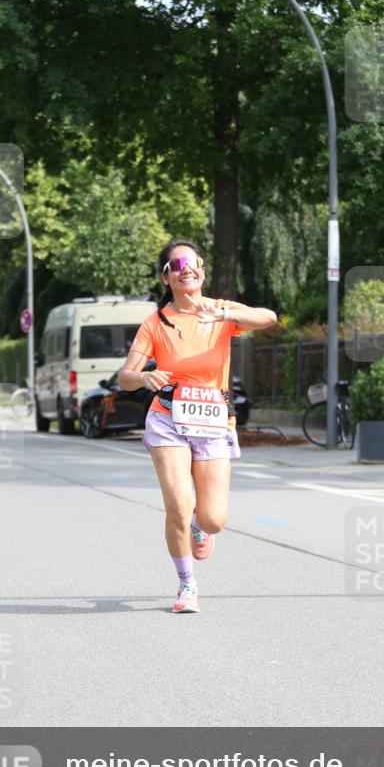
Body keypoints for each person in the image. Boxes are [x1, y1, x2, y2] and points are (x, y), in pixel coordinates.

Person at [118, 240, 277, 613]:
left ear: (202, 271)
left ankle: (200, 527)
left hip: (212, 419)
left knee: (213, 518)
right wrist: (144, 378)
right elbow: (125, 376)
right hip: (167, 418)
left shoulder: (221, 310)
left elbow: (268, 317)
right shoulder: (156, 323)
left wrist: (224, 317)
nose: (187, 268)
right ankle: (186, 585)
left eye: (193, 262)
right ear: (166, 276)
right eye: (178, 263)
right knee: (178, 503)